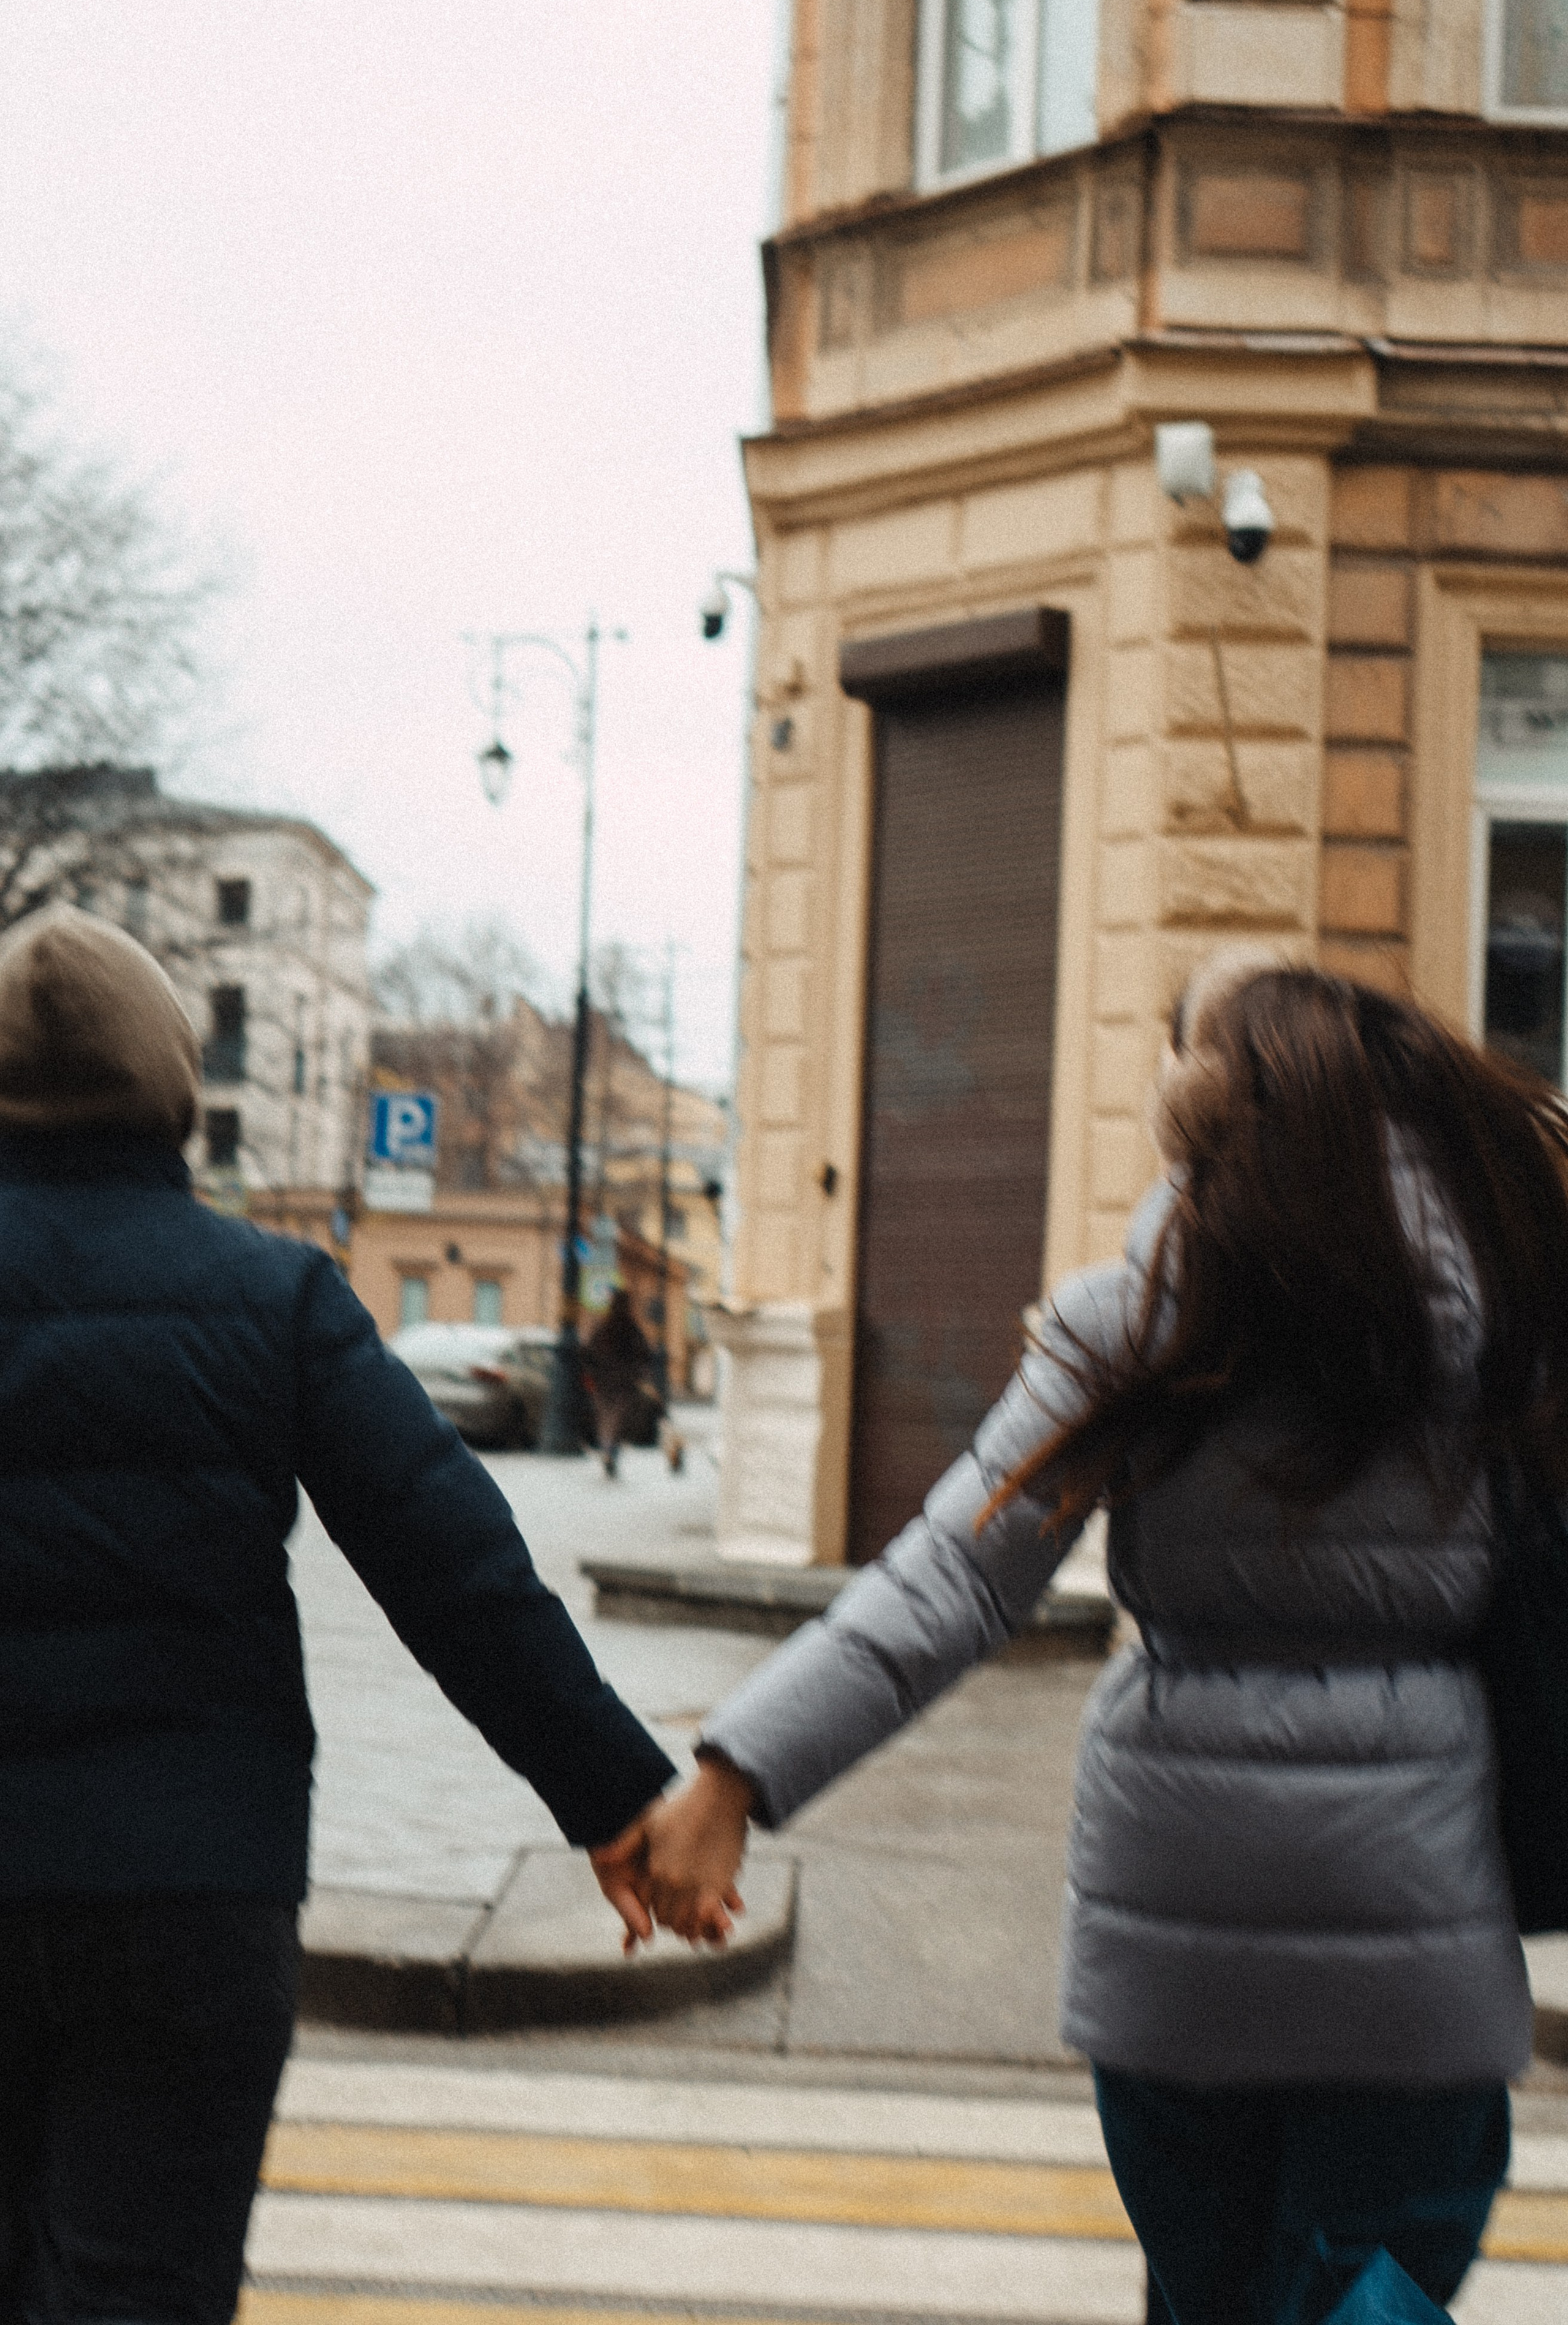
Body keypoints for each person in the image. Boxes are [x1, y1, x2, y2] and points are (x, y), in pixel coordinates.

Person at [613, 952, 1565, 2324]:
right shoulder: (1504, 1306)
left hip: (1175, 1944)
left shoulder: (1131, 1318)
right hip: (1415, 1925)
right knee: (1376, 2284)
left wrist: (732, 1778)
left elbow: (952, 1579)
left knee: (1208, 2293)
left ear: (1196, 1109)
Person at [0, 907, 673, 2325]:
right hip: (191, 1892)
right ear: (175, 1089)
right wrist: (615, 1798)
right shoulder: (270, 1293)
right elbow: (456, 1568)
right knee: (140, 2289)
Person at [582, 1286, 655, 1475]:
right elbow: (644, 1353)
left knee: (605, 1418)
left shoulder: (604, 1326)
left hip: (603, 1382)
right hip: (624, 1383)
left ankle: (607, 1450)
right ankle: (610, 1452)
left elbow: (589, 1352)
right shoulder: (631, 1328)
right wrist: (641, 1375)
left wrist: (591, 1373)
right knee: (617, 1419)